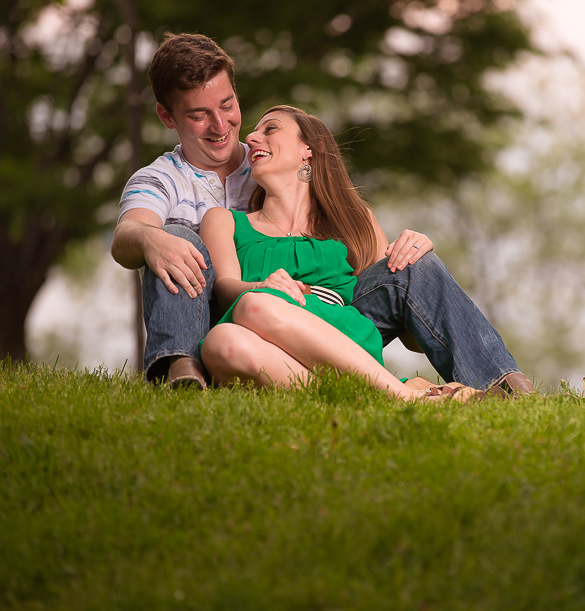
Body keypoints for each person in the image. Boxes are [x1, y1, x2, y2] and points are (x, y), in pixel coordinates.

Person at [111, 32, 536, 396]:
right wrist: (152, 238)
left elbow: (398, 306)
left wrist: (412, 257)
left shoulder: (269, 165)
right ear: (167, 116)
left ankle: (501, 382)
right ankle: (180, 367)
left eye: (228, 106)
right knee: (174, 238)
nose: (224, 127)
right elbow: (131, 234)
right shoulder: (163, 180)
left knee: (413, 266)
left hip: (336, 317)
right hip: (231, 319)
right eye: (200, 115)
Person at [199, 105, 476, 401]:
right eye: (254, 131)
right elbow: (226, 287)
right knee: (221, 342)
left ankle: (407, 398)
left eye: (270, 129)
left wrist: (418, 260)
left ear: (309, 149)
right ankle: (377, 395)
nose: (251, 137)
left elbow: (401, 308)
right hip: (258, 335)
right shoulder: (224, 220)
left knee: (255, 306)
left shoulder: (355, 221)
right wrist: (260, 287)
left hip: (339, 334)